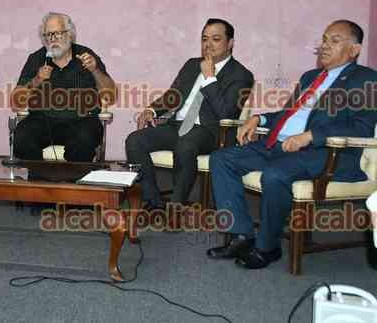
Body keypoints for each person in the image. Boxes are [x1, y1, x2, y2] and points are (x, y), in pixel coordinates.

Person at [208, 20, 377, 269]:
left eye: (334, 40)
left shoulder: (366, 79)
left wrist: (311, 135)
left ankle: (268, 247)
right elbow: (288, 114)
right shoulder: (311, 77)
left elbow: (362, 128)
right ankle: (240, 235)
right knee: (221, 158)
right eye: (324, 39)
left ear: (354, 50)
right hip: (279, 144)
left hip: (327, 153)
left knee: (276, 173)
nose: (325, 46)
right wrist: (259, 118)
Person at [125, 19, 254, 212]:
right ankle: (154, 202)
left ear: (230, 43)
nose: (208, 44)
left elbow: (225, 113)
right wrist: (152, 110)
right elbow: (173, 95)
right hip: (178, 125)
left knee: (186, 143)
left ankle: (175, 207)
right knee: (135, 140)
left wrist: (210, 78)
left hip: (211, 132)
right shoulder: (192, 65)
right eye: (204, 39)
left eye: (216, 39)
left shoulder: (241, 75)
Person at [11, 12, 116, 162]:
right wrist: (36, 80)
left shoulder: (86, 56)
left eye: (57, 33)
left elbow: (110, 95)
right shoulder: (36, 59)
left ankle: (73, 177)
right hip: (43, 121)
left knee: (83, 141)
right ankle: (39, 175)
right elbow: (16, 102)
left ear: (70, 34)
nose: (52, 39)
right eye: (47, 35)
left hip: (82, 120)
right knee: (21, 138)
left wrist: (95, 70)